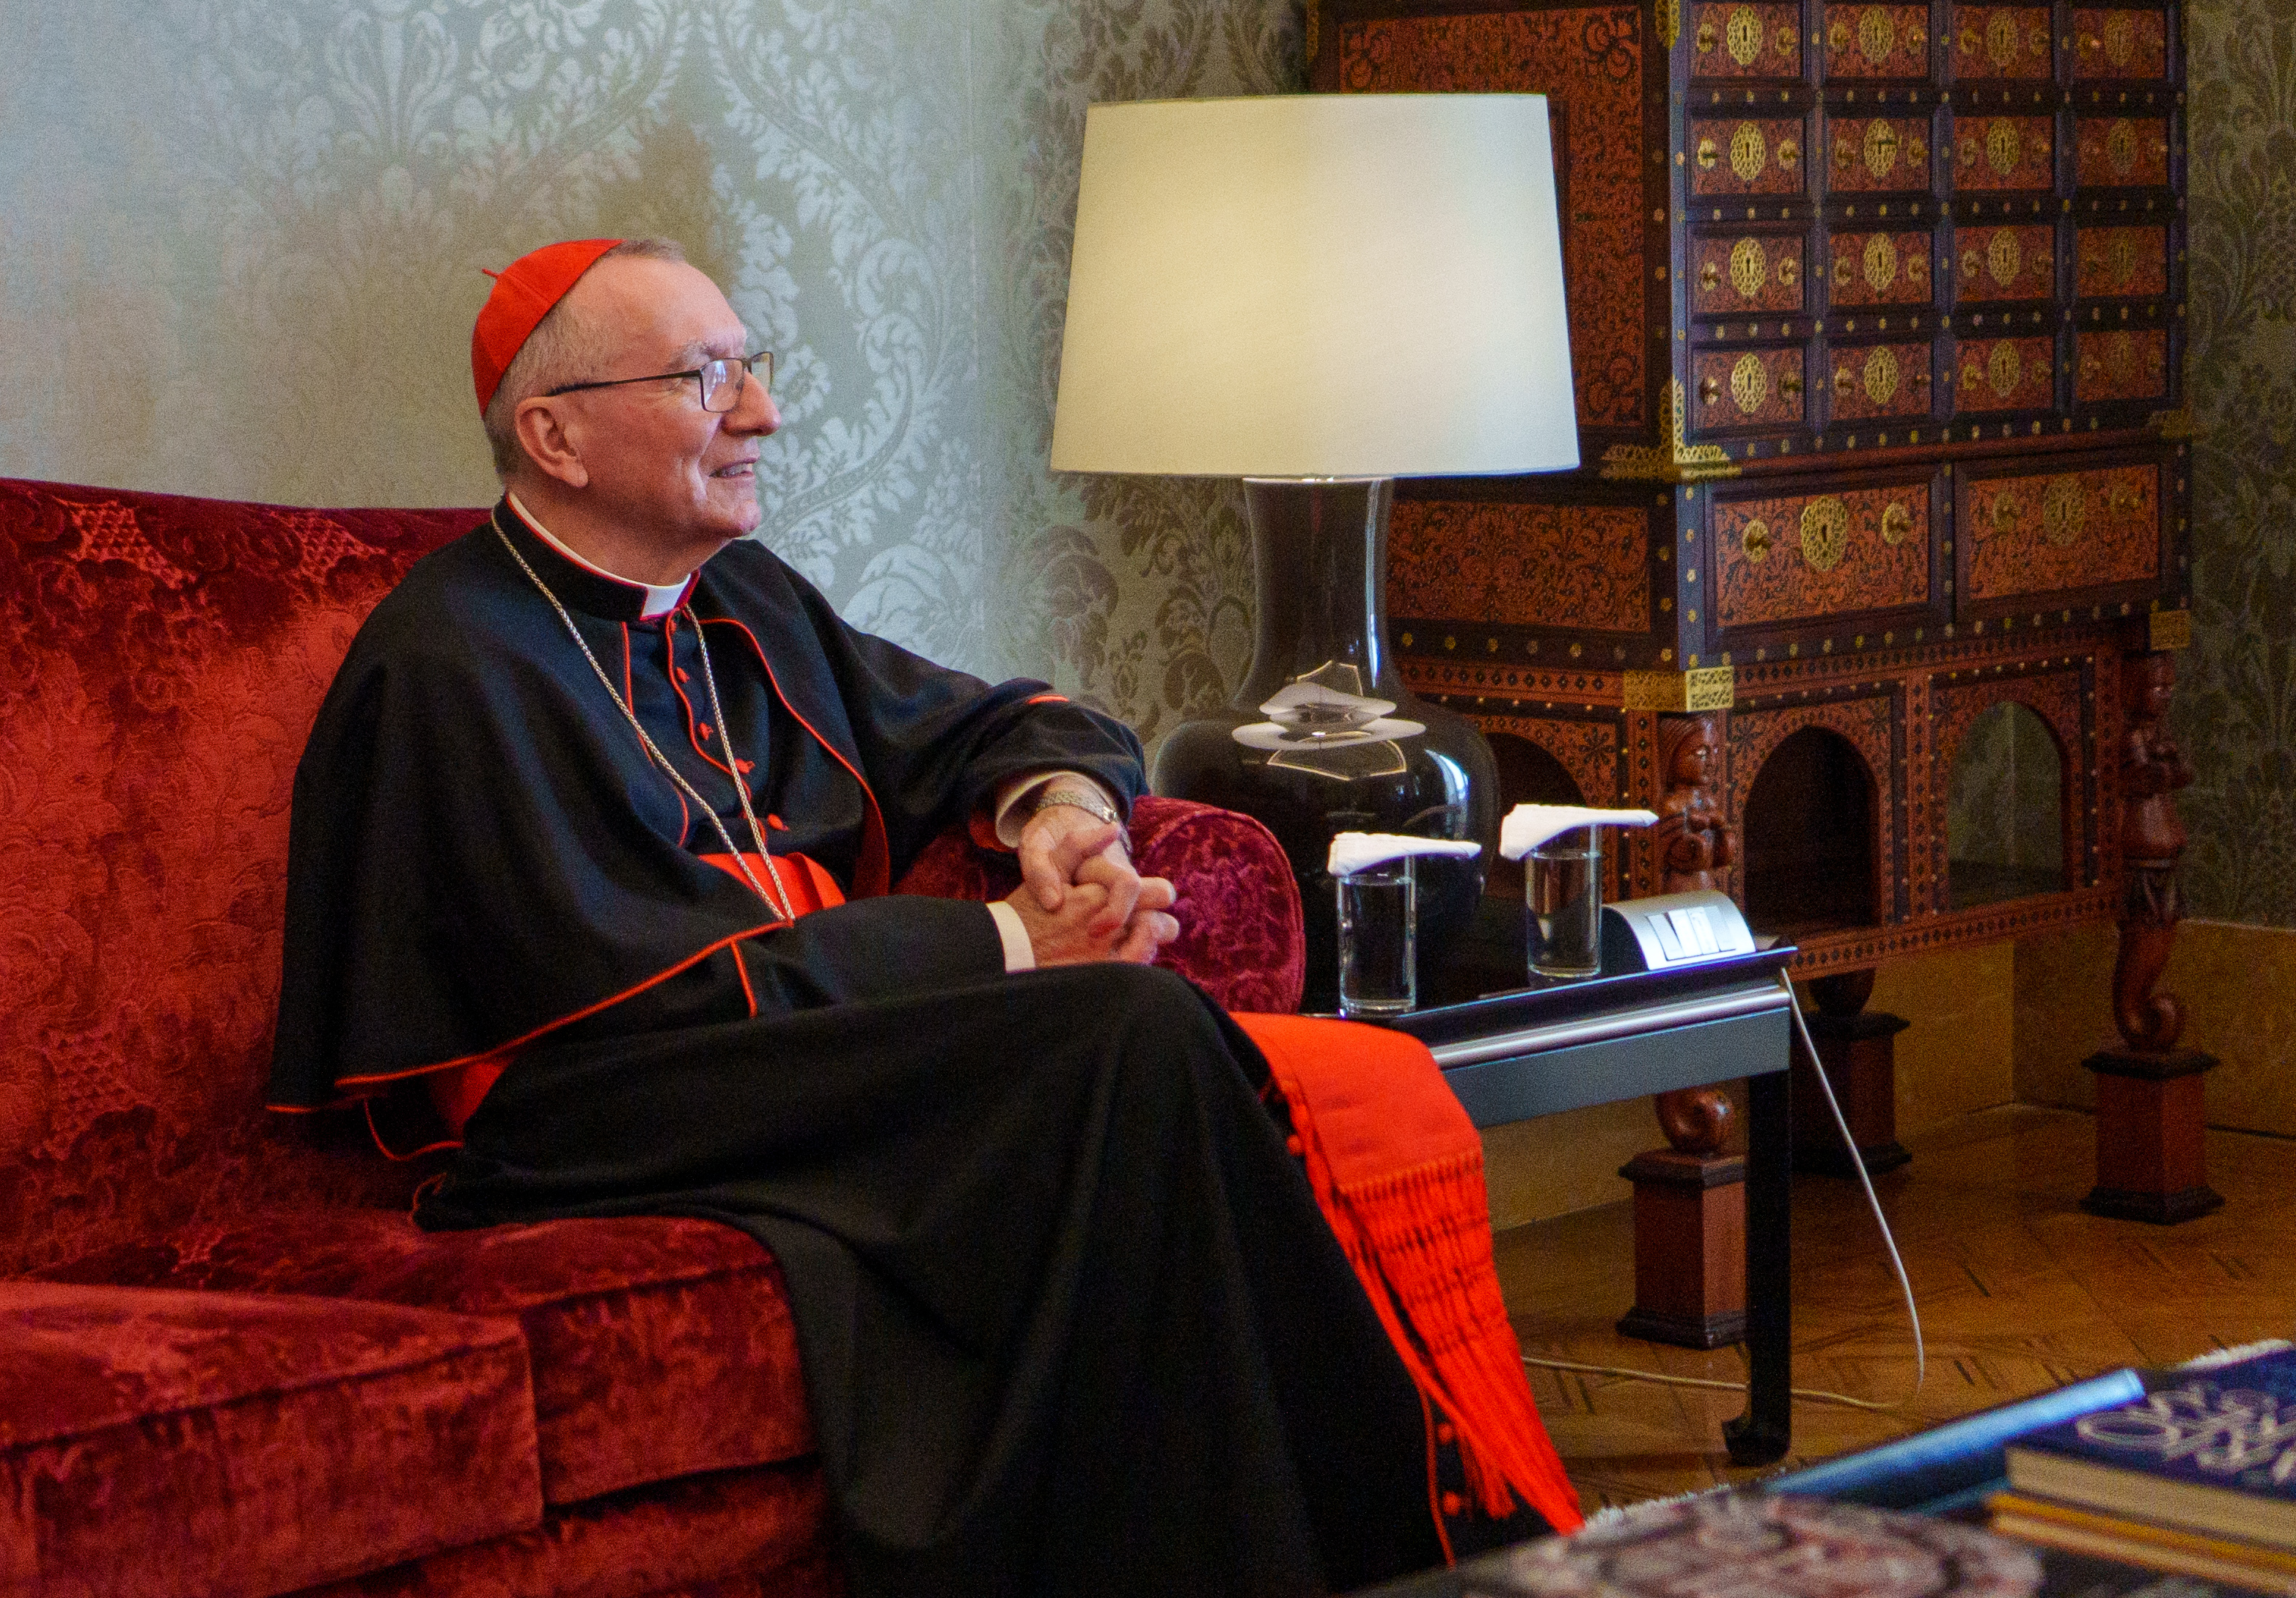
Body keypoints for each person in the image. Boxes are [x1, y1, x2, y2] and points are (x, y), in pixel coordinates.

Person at [268, 238, 1574, 1597]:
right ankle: (1409, 1554)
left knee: (1149, 1061)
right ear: (555, 436)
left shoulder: (736, 600)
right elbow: (626, 993)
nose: (761, 412)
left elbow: (995, 720)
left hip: (802, 1048)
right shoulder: (452, 659)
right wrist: (1010, 944)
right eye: (707, 378)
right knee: (1124, 1035)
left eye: (751, 369)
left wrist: (1059, 814)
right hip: (597, 1102)